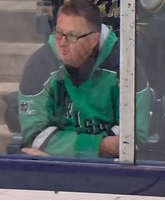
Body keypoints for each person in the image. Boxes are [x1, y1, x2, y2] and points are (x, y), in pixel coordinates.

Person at [18, 0, 151, 158]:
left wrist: (59, 148)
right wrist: (98, 146)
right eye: (58, 33)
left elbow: (133, 135)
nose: (61, 43)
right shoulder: (39, 65)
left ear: (93, 39)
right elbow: (34, 136)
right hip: (56, 169)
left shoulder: (126, 65)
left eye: (72, 37)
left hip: (111, 170)